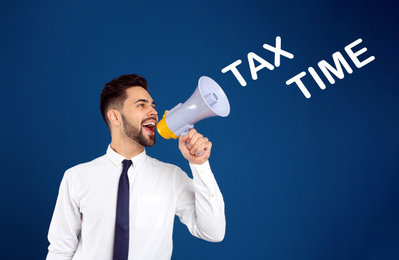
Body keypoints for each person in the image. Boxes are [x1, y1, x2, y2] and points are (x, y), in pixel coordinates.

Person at [46, 74, 226, 260]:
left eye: (153, 105)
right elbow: (60, 250)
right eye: (141, 105)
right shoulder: (77, 177)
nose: (153, 112)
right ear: (115, 116)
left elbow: (213, 232)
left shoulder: (172, 177)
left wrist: (200, 165)